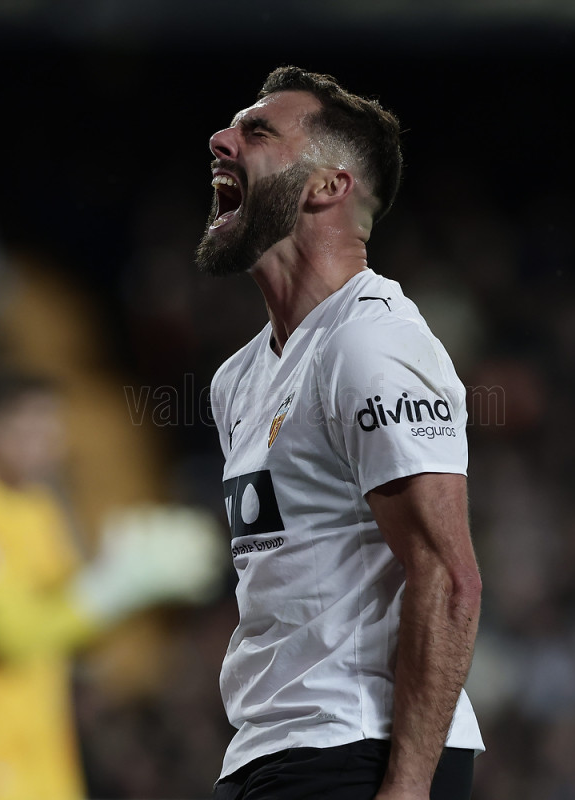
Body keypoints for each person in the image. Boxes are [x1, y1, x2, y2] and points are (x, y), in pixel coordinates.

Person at [198, 67, 485, 800]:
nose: (221, 140)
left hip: (358, 747)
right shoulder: (238, 379)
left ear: (328, 186)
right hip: (272, 749)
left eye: (258, 131)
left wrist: (408, 789)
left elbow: (448, 576)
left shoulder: (370, 343)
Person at [0, 370, 223, 800]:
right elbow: (9, 635)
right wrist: (113, 588)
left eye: (48, 428)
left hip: (45, 765)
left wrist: (129, 584)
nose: (40, 442)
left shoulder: (40, 510)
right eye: (25, 427)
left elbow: (73, 629)